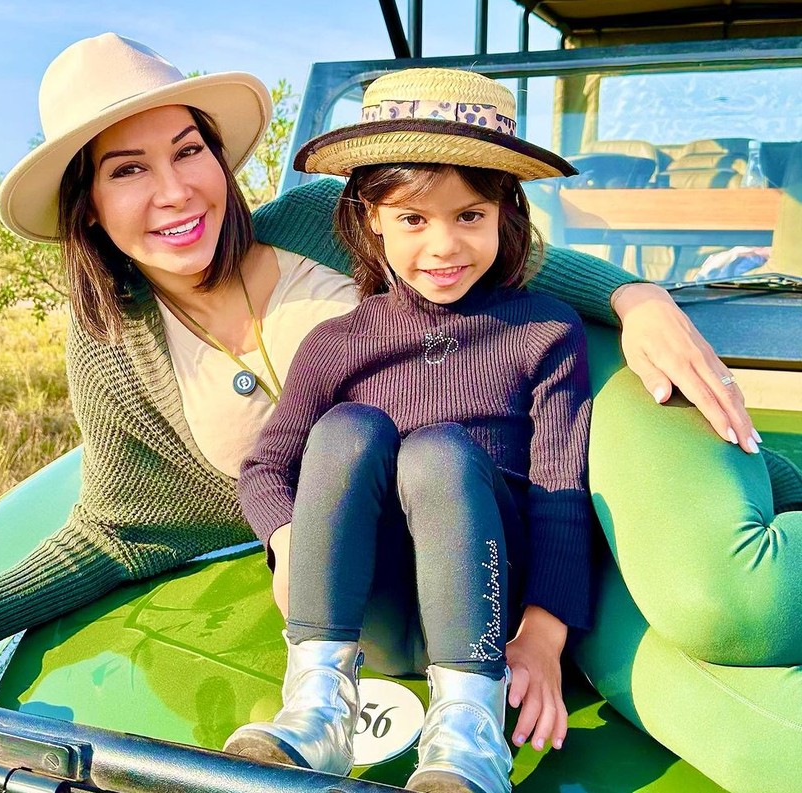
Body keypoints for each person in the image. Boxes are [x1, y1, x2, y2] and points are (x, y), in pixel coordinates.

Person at [0, 33, 765, 683]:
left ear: (218, 157)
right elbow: (118, 529)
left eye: (188, 150)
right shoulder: (115, 349)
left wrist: (637, 297)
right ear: (90, 206)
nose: (175, 191)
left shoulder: (321, 219)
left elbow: (499, 252)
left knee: (716, 605)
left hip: (517, 489)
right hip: (383, 591)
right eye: (129, 170)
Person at [223, 67, 594, 793]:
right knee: (348, 428)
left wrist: (544, 638)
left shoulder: (546, 330)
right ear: (372, 218)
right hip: (372, 612)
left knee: (437, 452)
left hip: (490, 609)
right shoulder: (336, 342)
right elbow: (265, 469)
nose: (444, 245)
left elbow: (561, 492)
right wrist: (291, 544)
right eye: (413, 220)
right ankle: (318, 706)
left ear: (505, 213)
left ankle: (470, 732)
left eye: (470, 216)